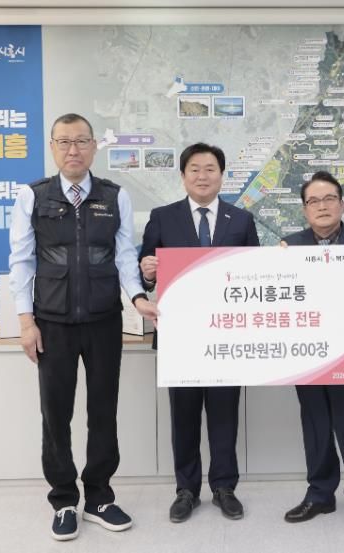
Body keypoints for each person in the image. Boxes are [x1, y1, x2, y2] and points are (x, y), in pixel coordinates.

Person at [9, 113, 157, 541]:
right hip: (52, 322)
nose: (73, 150)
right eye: (64, 142)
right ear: (53, 147)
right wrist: (26, 322)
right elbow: (22, 261)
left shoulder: (114, 196)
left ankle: (99, 497)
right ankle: (63, 500)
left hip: (104, 320)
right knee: (55, 414)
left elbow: (124, 256)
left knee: (103, 411)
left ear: (93, 147)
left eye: (81, 141)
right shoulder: (33, 196)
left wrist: (138, 298)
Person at [138, 142, 259, 523]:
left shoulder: (241, 220)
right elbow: (145, 269)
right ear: (183, 175)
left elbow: (257, 275)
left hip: (226, 337)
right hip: (181, 339)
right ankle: (186, 490)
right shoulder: (163, 217)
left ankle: (224, 487)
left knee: (225, 416)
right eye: (195, 169)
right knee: (184, 417)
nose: (202, 176)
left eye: (210, 169)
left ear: (222, 175)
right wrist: (148, 272)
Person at [281, 171, 344, 537]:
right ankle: (320, 494)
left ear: (341, 203)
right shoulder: (289, 247)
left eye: (329, 199)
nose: (321, 206)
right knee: (316, 425)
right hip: (306, 351)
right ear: (304, 209)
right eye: (313, 201)